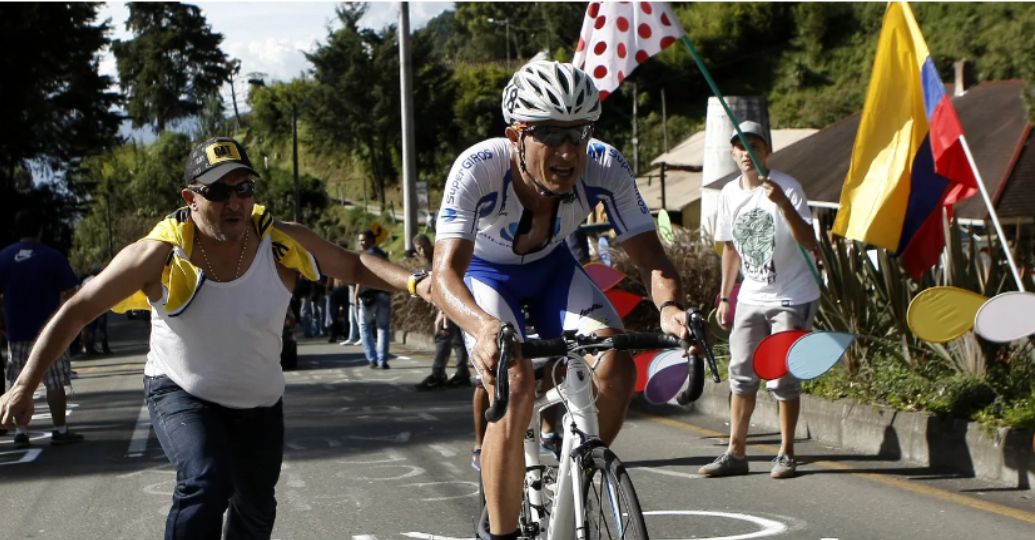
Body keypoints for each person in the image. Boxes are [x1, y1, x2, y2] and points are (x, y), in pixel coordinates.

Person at [0, 137, 433, 539]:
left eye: (244, 189)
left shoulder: (282, 243)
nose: (235, 202)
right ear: (191, 198)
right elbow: (77, 310)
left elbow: (354, 266)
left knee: (257, 507)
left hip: (259, 401)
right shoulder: (159, 254)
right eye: (219, 191)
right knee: (205, 480)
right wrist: (24, 385)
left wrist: (418, 282)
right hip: (181, 391)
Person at [430, 60, 690, 539]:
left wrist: (670, 308)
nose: (569, 150)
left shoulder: (604, 165)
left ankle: (580, 470)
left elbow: (651, 256)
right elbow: (444, 274)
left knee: (616, 364)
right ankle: (503, 533)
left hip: (554, 271)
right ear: (516, 136)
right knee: (514, 384)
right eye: (550, 133)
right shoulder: (479, 167)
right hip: (488, 276)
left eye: (579, 132)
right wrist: (483, 327)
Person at [698, 120, 820, 480]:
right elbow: (730, 249)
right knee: (741, 372)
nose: (746, 152)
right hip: (751, 295)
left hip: (791, 294)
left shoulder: (787, 187)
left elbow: (809, 241)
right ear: (733, 153)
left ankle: (786, 452)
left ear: (767, 150)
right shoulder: (728, 193)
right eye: (739, 145)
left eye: (754, 144)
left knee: (781, 374)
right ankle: (736, 452)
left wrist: (782, 203)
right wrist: (725, 296)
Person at [0, 208, 85, 449]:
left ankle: (20, 431)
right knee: (55, 381)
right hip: (51, 332)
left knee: (17, 380)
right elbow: (70, 294)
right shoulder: (52, 256)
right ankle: (60, 429)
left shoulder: (4, 257)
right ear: (40, 230)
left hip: (16, 332)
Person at [413, 234, 471, 390]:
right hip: (450, 302)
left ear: (430, 244)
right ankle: (462, 373)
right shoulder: (428, 261)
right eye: (419, 248)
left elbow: (446, 284)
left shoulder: (439, 256)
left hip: (451, 302)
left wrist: (443, 312)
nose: (422, 251)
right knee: (457, 339)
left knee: (443, 336)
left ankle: (437, 374)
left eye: (424, 246)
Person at [355, 230, 393, 369]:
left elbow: (360, 277)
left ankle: (372, 359)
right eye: (360, 240)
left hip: (368, 295)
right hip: (383, 294)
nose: (362, 243)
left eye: (364, 240)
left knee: (364, 326)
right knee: (382, 328)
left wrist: (356, 294)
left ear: (372, 240)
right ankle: (382, 360)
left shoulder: (364, 256)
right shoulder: (383, 255)